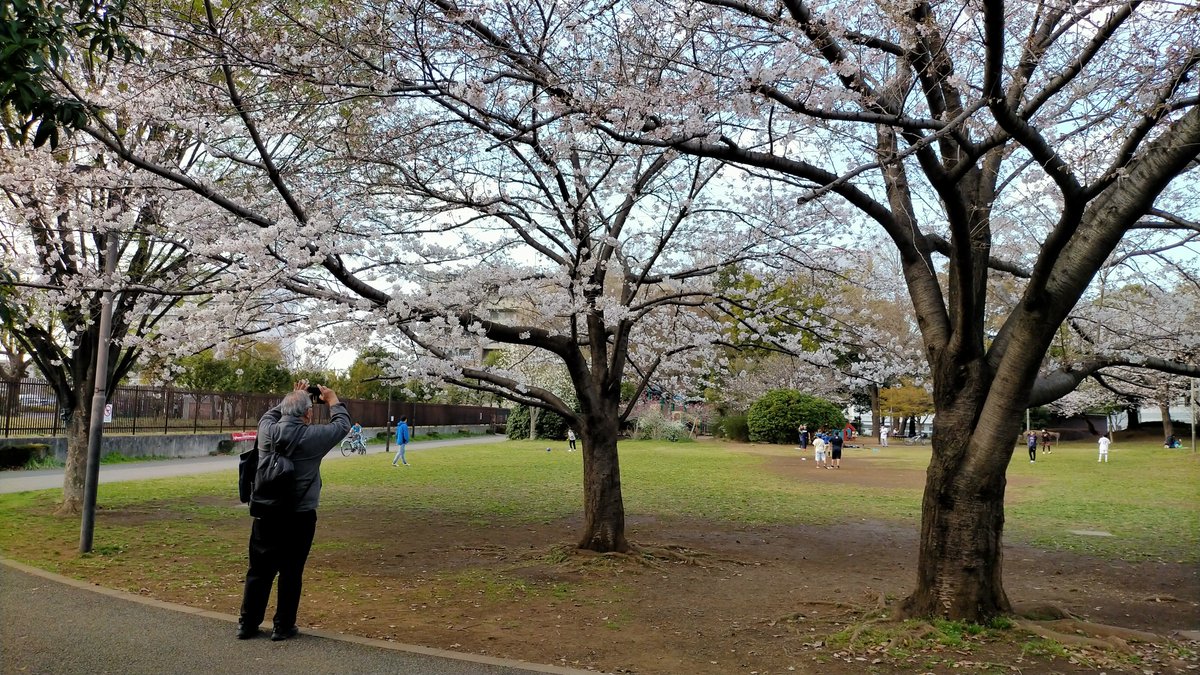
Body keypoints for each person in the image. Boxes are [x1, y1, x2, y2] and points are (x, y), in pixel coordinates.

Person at [238, 381, 350, 641]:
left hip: (265, 512)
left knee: (259, 570)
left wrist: (291, 397)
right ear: (308, 414)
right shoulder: (313, 437)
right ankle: (283, 625)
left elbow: (270, 415)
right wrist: (332, 400)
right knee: (291, 571)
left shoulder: (266, 430)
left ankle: (248, 623)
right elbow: (342, 425)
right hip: (299, 514)